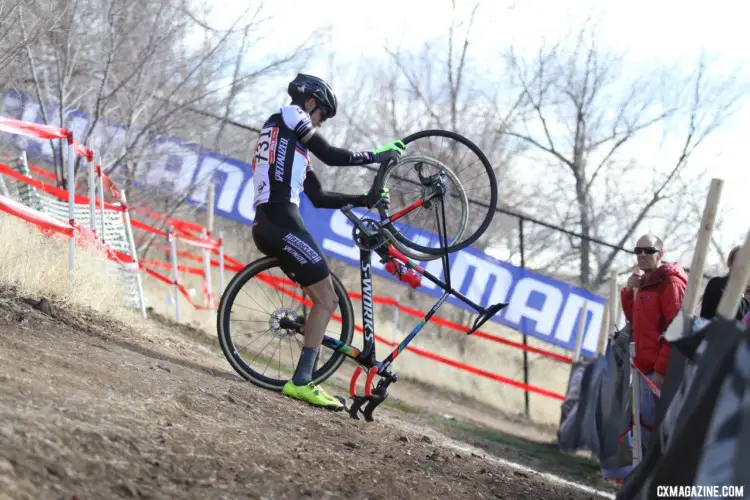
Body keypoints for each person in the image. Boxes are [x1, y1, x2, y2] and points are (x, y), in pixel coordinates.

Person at [250, 73, 404, 410]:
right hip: (280, 222)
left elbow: (318, 197)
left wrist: (366, 199)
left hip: (272, 223)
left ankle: (304, 376)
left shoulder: (289, 143)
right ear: (310, 104)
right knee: (327, 300)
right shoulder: (292, 115)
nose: (320, 124)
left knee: (325, 297)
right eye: (322, 117)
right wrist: (377, 155)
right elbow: (332, 155)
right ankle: (302, 382)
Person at [620, 234, 688, 452]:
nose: (641, 255)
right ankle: (642, 478)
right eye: (637, 250)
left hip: (657, 373)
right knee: (640, 425)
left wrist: (661, 371)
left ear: (660, 254)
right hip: (642, 367)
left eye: (648, 251)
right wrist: (629, 293)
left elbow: (676, 329)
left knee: (654, 429)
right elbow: (635, 320)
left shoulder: (670, 283)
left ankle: (653, 480)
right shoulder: (646, 284)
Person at [700, 245, 750, 321]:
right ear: (730, 263)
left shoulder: (746, 294)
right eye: (740, 261)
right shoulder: (717, 284)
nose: (743, 267)